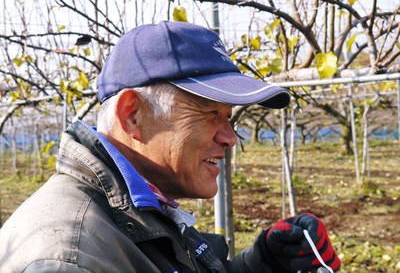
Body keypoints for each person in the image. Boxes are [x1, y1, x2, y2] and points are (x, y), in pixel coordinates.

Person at [0, 21, 340, 273]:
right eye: (210, 114)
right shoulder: (68, 260)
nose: (230, 137)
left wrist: (262, 264)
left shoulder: (136, 213)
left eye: (229, 118)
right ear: (133, 115)